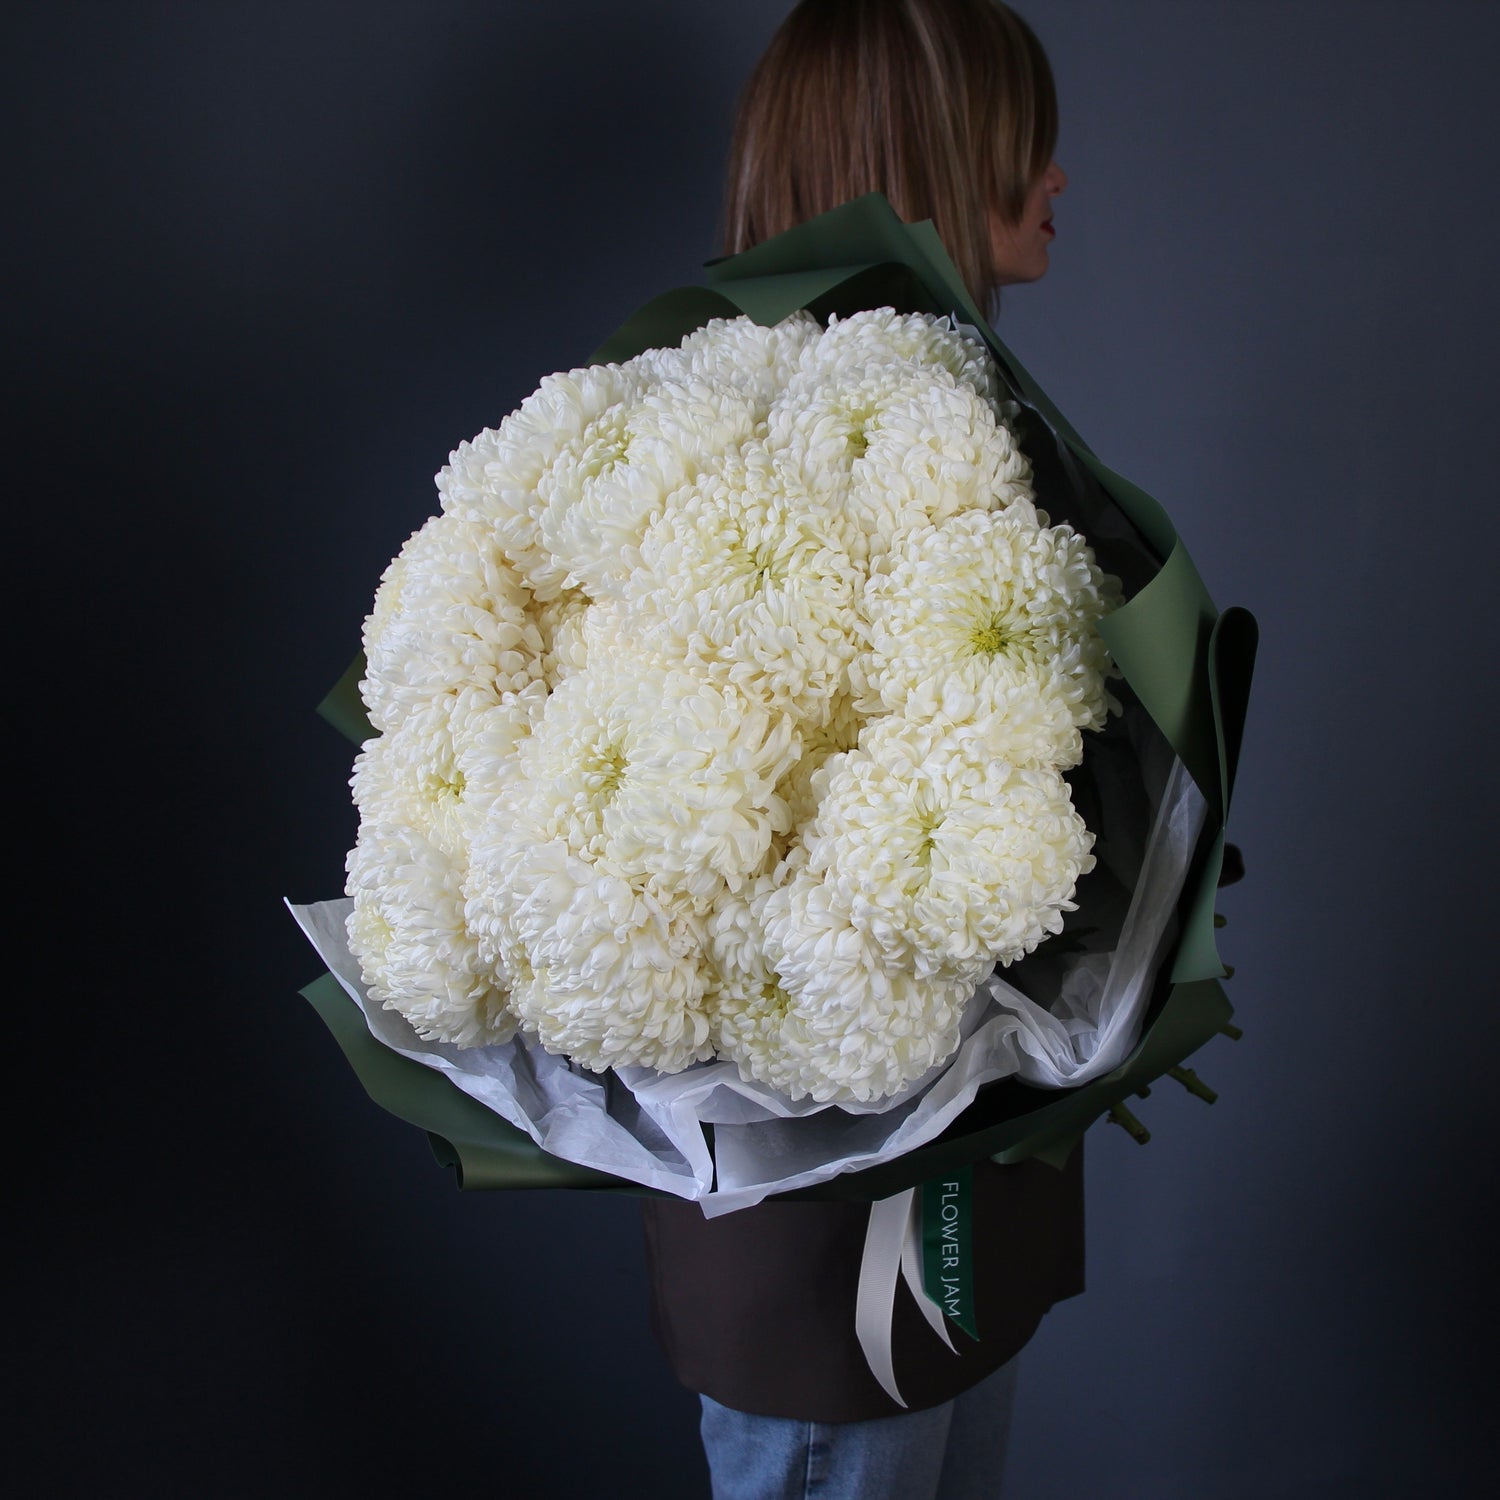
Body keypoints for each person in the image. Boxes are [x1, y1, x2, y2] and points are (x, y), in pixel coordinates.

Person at [638, 4, 1081, 1498]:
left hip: (957, 1213)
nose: (1064, 177)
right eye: (1030, 139)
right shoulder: (736, 479)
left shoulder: (957, 440)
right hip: (829, 1242)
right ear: (935, 159)